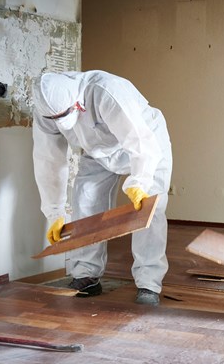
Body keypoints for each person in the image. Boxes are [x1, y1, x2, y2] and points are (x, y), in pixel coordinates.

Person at [32, 70, 172, 306]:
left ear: (76, 101)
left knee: (148, 209)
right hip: (96, 151)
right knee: (85, 203)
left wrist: (139, 182)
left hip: (147, 144)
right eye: (54, 118)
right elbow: (48, 161)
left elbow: (139, 141)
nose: (59, 121)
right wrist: (54, 212)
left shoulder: (106, 91)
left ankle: (148, 284)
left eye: (64, 114)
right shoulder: (45, 112)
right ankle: (86, 275)